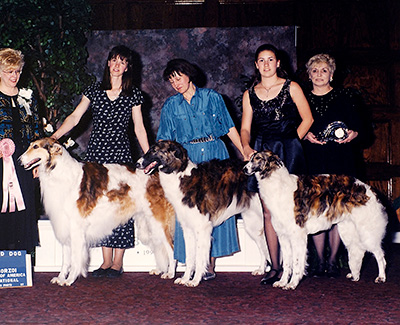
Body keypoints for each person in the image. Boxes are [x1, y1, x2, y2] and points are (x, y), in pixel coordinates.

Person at [52, 45, 149, 278]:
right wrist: (54, 137)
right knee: (99, 206)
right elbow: (75, 117)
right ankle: (105, 261)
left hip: (121, 155)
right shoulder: (94, 90)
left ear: (127, 67)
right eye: (113, 60)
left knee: (121, 204)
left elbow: (139, 128)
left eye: (122, 61)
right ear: (108, 63)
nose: (117, 65)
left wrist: (149, 156)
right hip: (96, 155)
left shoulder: (133, 94)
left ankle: (117, 262)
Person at [157, 58, 245, 281]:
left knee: (216, 209)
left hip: (215, 155)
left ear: (189, 75)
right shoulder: (170, 106)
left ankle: (209, 265)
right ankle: (191, 263)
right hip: (188, 159)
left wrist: (244, 152)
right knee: (188, 215)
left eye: (179, 77)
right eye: (171, 80)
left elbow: (229, 127)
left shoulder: (212, 98)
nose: (176, 83)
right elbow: (165, 140)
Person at [240, 44, 313, 285]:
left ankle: (297, 266)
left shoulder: (292, 87)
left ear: (278, 62)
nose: (266, 64)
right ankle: (275, 266)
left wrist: (293, 142)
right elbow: (246, 128)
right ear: (256, 64)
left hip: (288, 151)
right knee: (269, 211)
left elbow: (308, 118)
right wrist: (247, 148)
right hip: (262, 153)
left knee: (292, 210)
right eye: (261, 60)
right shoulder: (249, 93)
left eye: (271, 59)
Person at [303, 53, 364, 277]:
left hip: (341, 158)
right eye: (315, 71)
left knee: (339, 208)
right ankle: (319, 260)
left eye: (324, 70)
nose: (319, 75)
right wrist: (305, 135)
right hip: (312, 158)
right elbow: (293, 127)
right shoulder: (302, 98)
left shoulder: (345, 97)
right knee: (317, 208)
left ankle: (332, 260)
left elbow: (360, 127)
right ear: (309, 75)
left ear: (332, 73)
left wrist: (353, 133)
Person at [0, 48, 42, 256]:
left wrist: (36, 163)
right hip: (2, 162)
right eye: (9, 71)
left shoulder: (29, 97)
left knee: (25, 209)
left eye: (17, 71)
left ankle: (23, 260)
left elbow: (36, 131)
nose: (14, 76)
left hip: (24, 161)